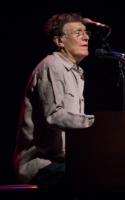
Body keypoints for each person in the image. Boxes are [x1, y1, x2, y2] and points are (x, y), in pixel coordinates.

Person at [14, 13, 94, 186]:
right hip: (41, 164)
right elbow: (54, 116)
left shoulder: (76, 72)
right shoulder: (52, 66)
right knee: (92, 178)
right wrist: (96, 123)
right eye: (78, 33)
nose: (86, 37)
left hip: (63, 162)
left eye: (86, 33)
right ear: (59, 41)